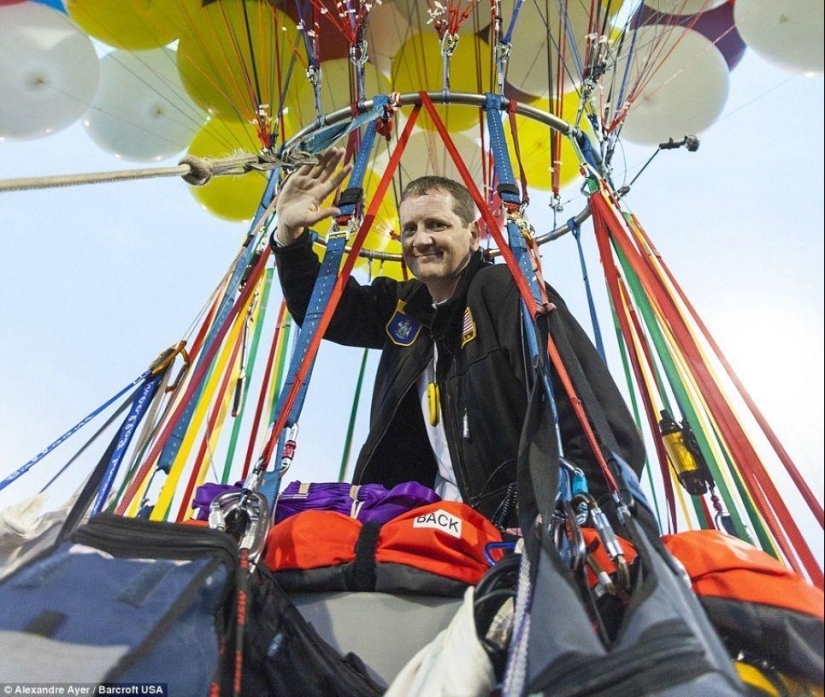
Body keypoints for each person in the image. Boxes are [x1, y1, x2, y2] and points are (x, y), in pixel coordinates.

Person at [272, 148, 647, 526]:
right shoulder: (403, 307)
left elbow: (590, 410)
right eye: (410, 229)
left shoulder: (503, 291)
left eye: (437, 225)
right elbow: (323, 311)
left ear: (474, 234)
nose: (420, 240)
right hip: (427, 528)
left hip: (512, 532)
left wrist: (581, 523)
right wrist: (289, 236)